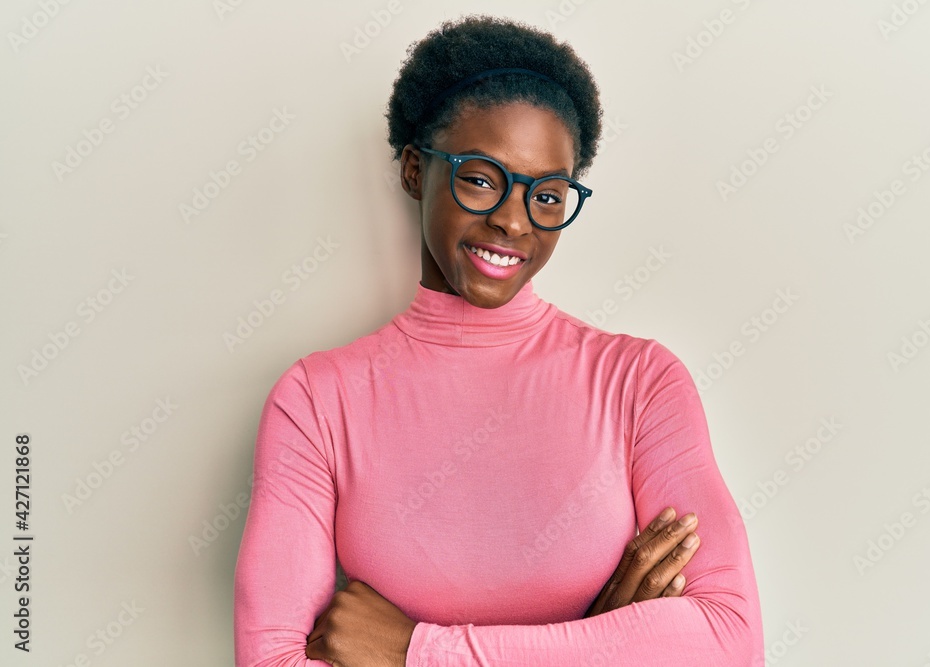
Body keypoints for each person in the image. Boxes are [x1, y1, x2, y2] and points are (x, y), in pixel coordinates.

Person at [234, 14, 764, 666]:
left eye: (546, 194)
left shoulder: (639, 382)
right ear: (412, 170)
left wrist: (417, 649)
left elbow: (730, 642)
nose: (513, 220)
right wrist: (599, 642)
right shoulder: (317, 400)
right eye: (481, 178)